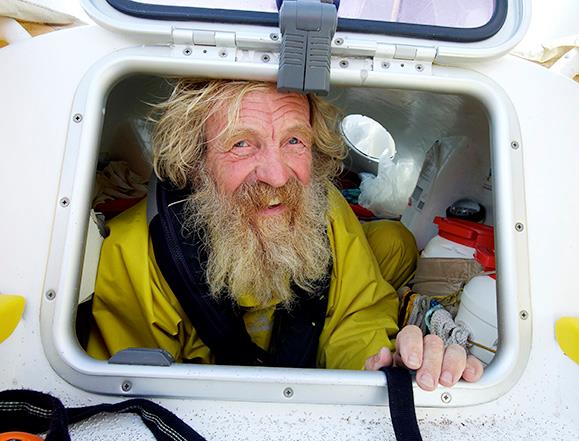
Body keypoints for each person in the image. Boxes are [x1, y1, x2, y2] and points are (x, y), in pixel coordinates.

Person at [87, 79, 483, 391]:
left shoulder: (324, 207)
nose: (277, 177)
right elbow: (135, 393)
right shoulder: (135, 249)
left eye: (294, 140)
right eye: (241, 143)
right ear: (195, 160)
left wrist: (375, 366)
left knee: (394, 241)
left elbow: (356, 316)